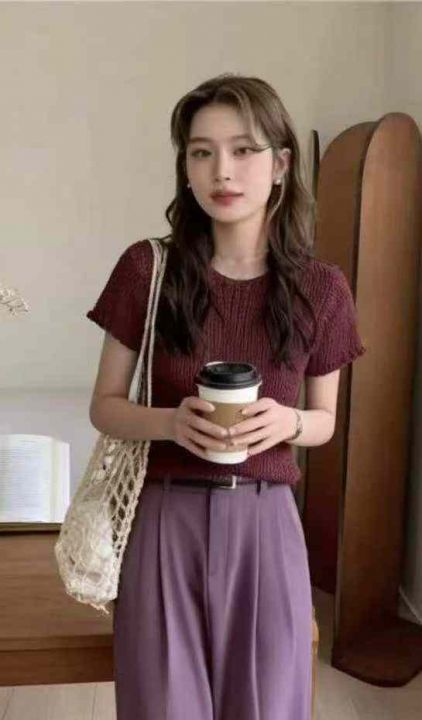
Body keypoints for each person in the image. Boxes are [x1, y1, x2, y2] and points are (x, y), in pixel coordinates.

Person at [86, 73, 366, 720]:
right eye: (201, 152)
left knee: (268, 708)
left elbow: (324, 421)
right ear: (185, 168)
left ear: (281, 164)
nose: (223, 170)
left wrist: (286, 422)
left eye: (244, 150)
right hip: (163, 520)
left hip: (268, 525)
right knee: (163, 708)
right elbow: (105, 405)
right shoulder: (146, 270)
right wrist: (171, 424)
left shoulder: (322, 289)